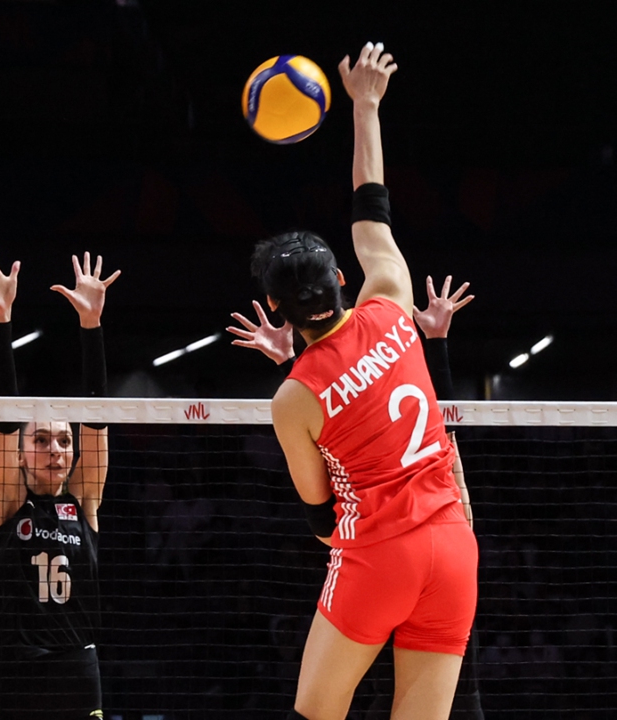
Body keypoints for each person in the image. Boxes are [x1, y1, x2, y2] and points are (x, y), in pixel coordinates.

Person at [257, 44, 478, 720]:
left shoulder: (292, 397)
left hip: (378, 557)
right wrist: (366, 104)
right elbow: (370, 207)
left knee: (315, 713)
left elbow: (319, 513)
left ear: (276, 311)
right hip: (453, 547)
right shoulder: (389, 300)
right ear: (343, 280)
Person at [229, 277, 484, 719]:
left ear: (279, 305)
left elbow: (334, 433)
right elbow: (411, 433)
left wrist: (292, 368)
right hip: (447, 563)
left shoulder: (306, 397)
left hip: (379, 562)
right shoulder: (449, 511)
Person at [0, 244, 119, 720]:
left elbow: (96, 421)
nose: (56, 450)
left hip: (77, 671)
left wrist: (91, 326)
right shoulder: (9, 502)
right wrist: (2, 318)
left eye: (63, 442)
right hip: (13, 670)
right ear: (21, 454)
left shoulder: (84, 499)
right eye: (43, 441)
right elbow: (6, 420)